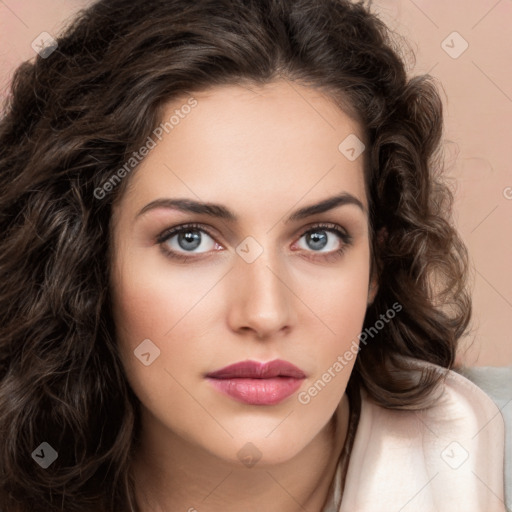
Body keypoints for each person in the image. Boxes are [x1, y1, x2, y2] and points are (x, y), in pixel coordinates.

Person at [0, 0, 506, 511]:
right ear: (88, 261)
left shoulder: (488, 465)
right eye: (191, 238)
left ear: (377, 264)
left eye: (319, 238)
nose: (265, 313)